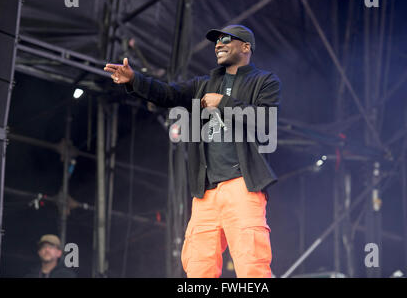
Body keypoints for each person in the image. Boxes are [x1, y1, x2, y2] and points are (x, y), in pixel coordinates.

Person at [104, 25, 281, 278]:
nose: (218, 45)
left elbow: (266, 120)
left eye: (225, 40)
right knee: (198, 267)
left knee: (252, 265)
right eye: (216, 41)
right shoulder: (203, 84)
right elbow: (168, 93)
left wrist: (223, 103)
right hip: (206, 192)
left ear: (245, 47)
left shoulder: (264, 81)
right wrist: (135, 80)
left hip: (243, 185)